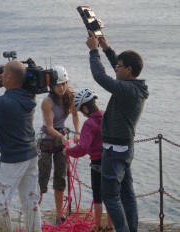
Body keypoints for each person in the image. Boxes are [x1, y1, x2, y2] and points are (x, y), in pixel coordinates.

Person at [86, 31, 149, 232]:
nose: (116, 69)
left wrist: (93, 51)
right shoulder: (135, 86)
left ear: (129, 69)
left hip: (114, 150)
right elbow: (117, 70)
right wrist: (107, 50)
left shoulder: (127, 90)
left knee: (110, 196)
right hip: (124, 148)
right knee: (127, 196)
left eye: (120, 67)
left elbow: (100, 76)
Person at [0, 60, 41, 232]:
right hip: (31, 154)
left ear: (9, 77)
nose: (0, 77)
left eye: (3, 75)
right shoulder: (29, 97)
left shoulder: (3, 102)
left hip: (13, 158)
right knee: (30, 201)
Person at [62, 88, 113, 231]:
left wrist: (68, 151)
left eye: (81, 111)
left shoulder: (89, 124)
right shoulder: (107, 116)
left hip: (97, 163)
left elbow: (83, 148)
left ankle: (97, 227)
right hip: (111, 161)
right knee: (111, 196)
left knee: (98, 196)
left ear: (85, 107)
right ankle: (111, 227)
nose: (83, 114)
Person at [37, 65, 80, 224]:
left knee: (60, 178)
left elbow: (75, 116)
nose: (61, 88)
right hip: (46, 141)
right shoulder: (46, 102)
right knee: (42, 178)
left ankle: (59, 214)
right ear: (51, 85)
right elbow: (49, 127)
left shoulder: (71, 97)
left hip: (61, 139)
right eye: (58, 85)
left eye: (64, 83)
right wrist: (62, 136)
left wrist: (77, 132)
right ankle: (36, 213)